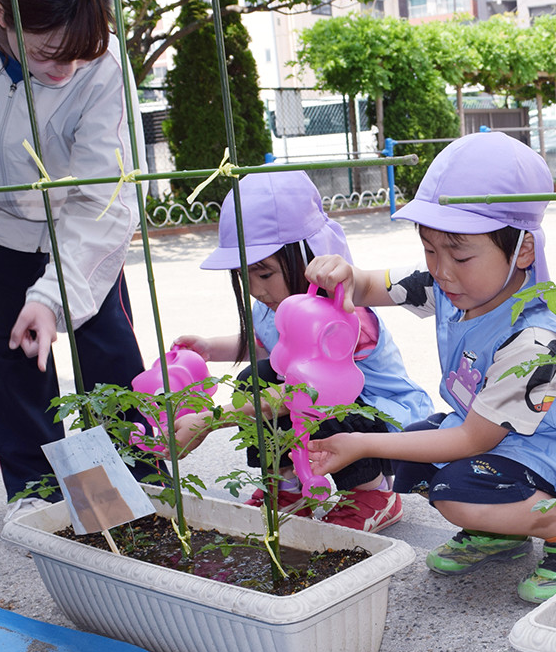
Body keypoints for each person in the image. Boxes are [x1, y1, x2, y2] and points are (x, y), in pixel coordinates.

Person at [305, 132, 556, 602]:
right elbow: (372, 285)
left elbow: (472, 440)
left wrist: (357, 442)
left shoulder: (535, 339)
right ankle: (503, 531)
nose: (441, 270)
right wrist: (343, 273)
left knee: (454, 490)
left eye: (459, 254)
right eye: (430, 250)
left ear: (522, 250)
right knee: (413, 454)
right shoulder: (451, 288)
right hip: (506, 440)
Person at [172, 170, 434, 533]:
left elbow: (306, 391)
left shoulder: (340, 316)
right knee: (257, 377)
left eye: (264, 274)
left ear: (306, 256)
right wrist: (208, 348)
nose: (256, 289)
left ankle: (373, 494)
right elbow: (263, 346)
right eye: (243, 276)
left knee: (300, 398)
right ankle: (289, 486)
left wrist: (212, 418)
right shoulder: (276, 306)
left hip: (380, 424)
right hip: (315, 405)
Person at [0, 0, 151, 514]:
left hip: (78, 223)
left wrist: (54, 296)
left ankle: (139, 478)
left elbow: (105, 196)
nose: (66, 69)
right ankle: (35, 491)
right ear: (4, 17)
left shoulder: (103, 63)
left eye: (80, 53)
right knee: (15, 352)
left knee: (108, 347)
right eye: (50, 52)